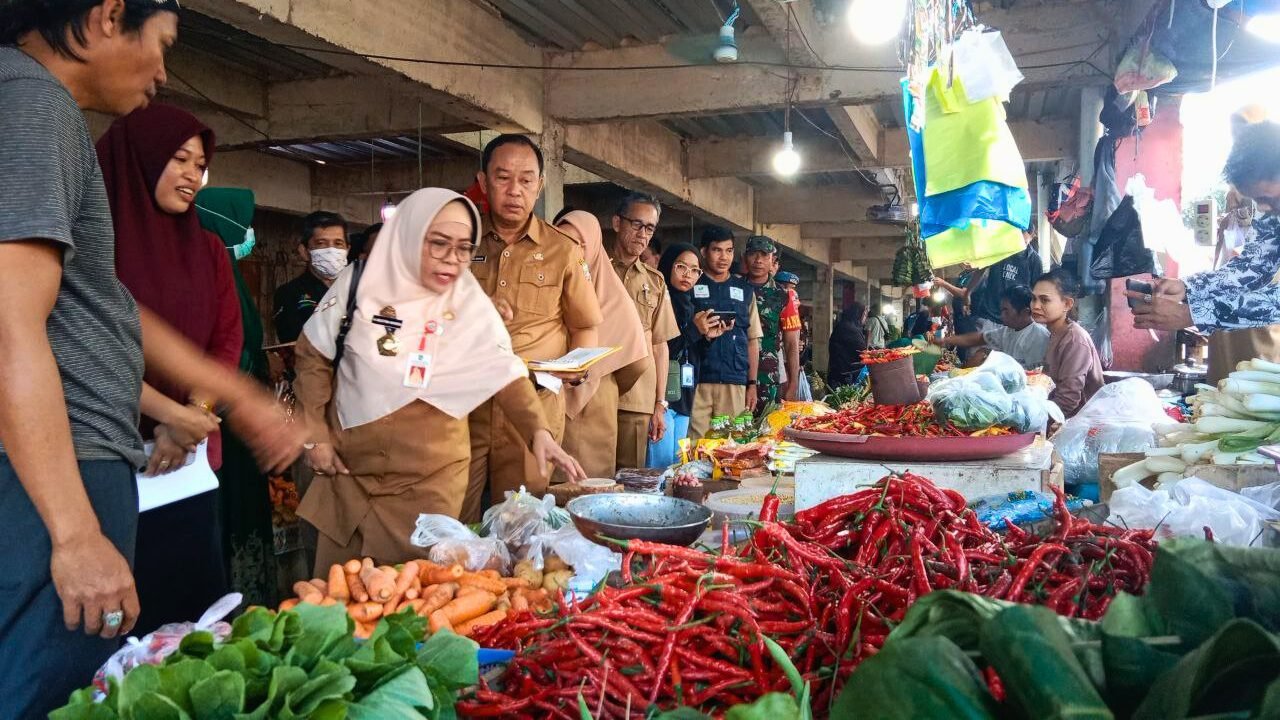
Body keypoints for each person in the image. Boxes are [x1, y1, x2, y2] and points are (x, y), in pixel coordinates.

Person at [0, 4, 301, 713]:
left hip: (67, 469)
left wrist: (238, 396)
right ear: (109, 15)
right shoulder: (33, 103)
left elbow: (103, 303)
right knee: (46, 695)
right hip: (57, 473)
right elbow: (10, 326)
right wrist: (76, 533)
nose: (163, 71)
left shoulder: (35, 107)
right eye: (162, 43)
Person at [294, 189, 585, 572]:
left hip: (428, 479)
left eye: (464, 248)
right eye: (438, 243)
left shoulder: (468, 300)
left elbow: (503, 369)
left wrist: (538, 431)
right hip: (348, 471)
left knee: (414, 585)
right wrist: (315, 435)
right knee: (335, 584)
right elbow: (313, 353)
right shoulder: (361, 281)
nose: (452, 258)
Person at [98, 102, 247, 632]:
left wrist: (192, 417)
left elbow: (226, 339)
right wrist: (169, 415)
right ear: (140, 158)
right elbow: (90, 348)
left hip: (187, 464)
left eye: (200, 164)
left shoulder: (207, 249)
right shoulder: (95, 247)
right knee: (122, 617)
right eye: (179, 158)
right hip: (107, 458)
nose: (192, 175)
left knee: (195, 612)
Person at [466, 135, 602, 522]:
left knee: (520, 520)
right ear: (483, 181)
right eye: (503, 177)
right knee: (456, 512)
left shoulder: (563, 250)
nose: (515, 190)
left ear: (540, 185)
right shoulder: (462, 242)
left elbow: (584, 324)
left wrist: (577, 368)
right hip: (467, 402)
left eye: (526, 180)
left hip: (534, 404)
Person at [196, 186, 279, 609]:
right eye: (244, 226)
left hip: (236, 423)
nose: (249, 235)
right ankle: (234, 605)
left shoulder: (228, 275)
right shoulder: (212, 278)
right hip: (220, 422)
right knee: (228, 513)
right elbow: (226, 350)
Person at [1131, 122, 1280, 336]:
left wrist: (1195, 313)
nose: (1263, 208)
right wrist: (1188, 288)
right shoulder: (1272, 211)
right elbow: (1254, 266)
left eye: (1266, 198)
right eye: (1257, 200)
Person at [555, 210, 649, 479]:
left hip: (598, 401)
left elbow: (637, 362)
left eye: (580, 244)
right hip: (551, 401)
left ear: (594, 246)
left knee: (590, 484)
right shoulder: (548, 288)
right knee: (550, 484)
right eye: (563, 242)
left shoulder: (616, 300)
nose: (571, 251)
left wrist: (605, 376)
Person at [610, 193, 679, 469]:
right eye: (636, 224)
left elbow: (660, 344)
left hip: (638, 398)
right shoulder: (593, 269)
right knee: (592, 476)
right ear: (617, 223)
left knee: (630, 479)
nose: (642, 234)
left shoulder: (655, 281)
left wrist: (660, 403)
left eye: (649, 228)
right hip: (595, 391)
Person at [651, 243, 724, 465]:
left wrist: (707, 338)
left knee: (674, 465)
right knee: (658, 466)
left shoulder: (691, 306)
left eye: (695, 270)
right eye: (681, 267)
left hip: (683, 396)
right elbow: (661, 349)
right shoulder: (658, 301)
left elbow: (692, 354)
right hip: (661, 397)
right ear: (668, 266)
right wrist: (694, 330)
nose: (688, 275)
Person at [688, 226, 762, 441]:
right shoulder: (691, 285)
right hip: (698, 380)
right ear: (704, 252)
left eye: (729, 251)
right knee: (695, 446)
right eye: (717, 250)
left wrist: (752, 384)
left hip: (734, 381)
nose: (724, 257)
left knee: (731, 447)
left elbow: (752, 341)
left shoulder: (745, 290)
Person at [1032, 270, 1104, 418]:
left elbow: (1068, 400)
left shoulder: (1074, 339)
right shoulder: (1052, 333)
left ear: (1067, 304)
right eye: (1033, 299)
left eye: (1044, 300)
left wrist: (1033, 420)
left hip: (1078, 422)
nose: (1035, 306)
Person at [742, 236, 802, 407]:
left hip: (767, 378)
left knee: (766, 422)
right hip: (735, 374)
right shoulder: (733, 289)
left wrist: (793, 383)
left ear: (772, 260)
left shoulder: (784, 296)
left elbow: (791, 343)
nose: (758, 260)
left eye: (764, 255)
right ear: (745, 257)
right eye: (753, 254)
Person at [273, 210, 350, 343]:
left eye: (338, 243)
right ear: (304, 251)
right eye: (321, 243)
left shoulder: (358, 291)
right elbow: (294, 340)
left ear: (347, 250)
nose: (331, 250)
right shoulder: (289, 293)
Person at [933, 285, 1049, 369]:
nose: (1001, 315)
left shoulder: (1039, 336)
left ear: (1025, 312)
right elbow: (979, 338)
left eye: (1006, 310)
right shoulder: (1007, 331)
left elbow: (1037, 375)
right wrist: (945, 340)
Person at [828, 302, 869, 388]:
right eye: (864, 315)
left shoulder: (847, 325)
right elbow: (862, 350)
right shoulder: (849, 329)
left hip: (842, 372)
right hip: (844, 375)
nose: (866, 318)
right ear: (858, 314)